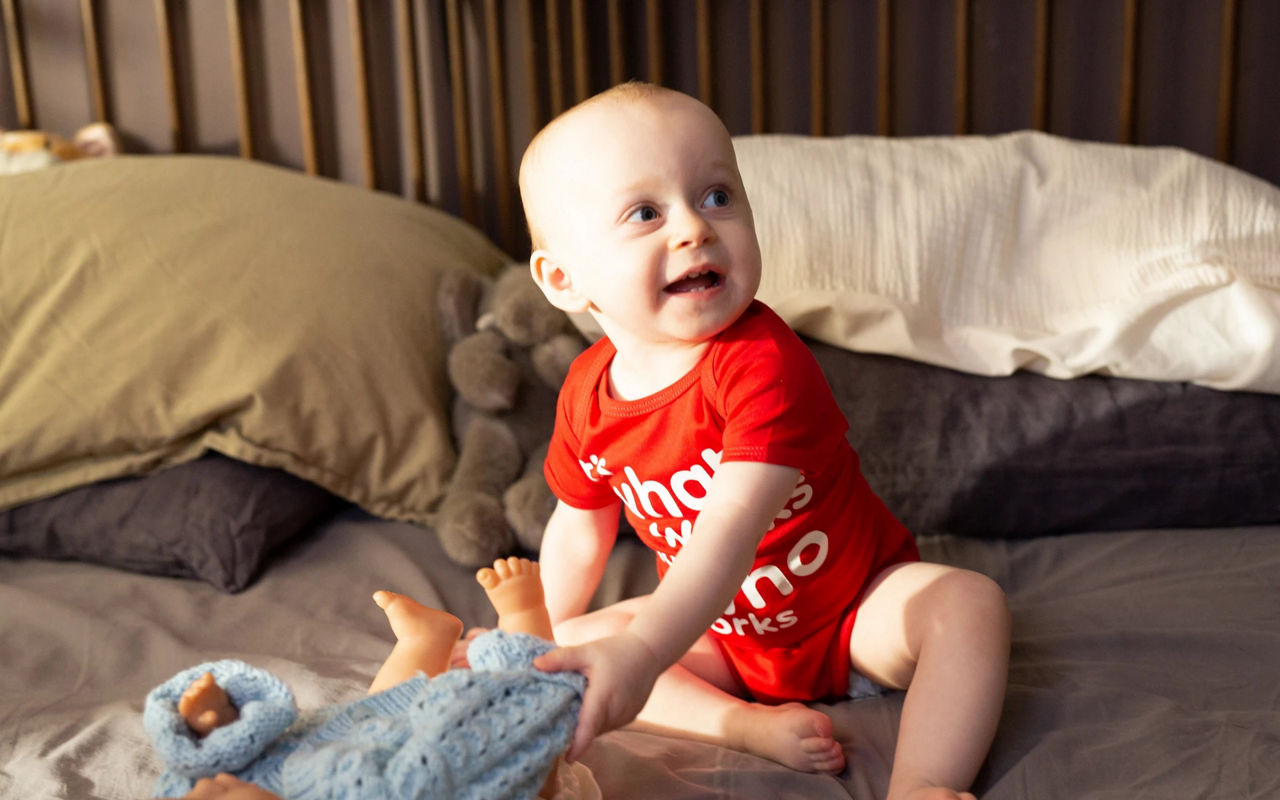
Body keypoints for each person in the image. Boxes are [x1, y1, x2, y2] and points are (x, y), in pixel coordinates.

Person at [516, 81, 1011, 800]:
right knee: (583, 647)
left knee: (969, 605)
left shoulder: (762, 363)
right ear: (564, 279)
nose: (694, 228)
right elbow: (579, 523)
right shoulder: (589, 392)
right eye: (646, 213)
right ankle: (741, 727)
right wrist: (545, 633)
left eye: (717, 196)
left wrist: (643, 650)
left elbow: (728, 533)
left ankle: (923, 783)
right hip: (722, 636)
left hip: (850, 613)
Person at [157, 558, 596, 800]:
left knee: (370, 716)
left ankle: (424, 641)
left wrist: (221, 736)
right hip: (505, 779)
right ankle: (525, 620)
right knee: (516, 719)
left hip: (359, 756)